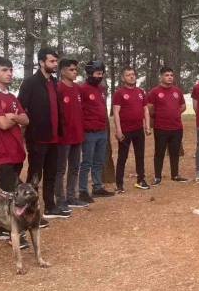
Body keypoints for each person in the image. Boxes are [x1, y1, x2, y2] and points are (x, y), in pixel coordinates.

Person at [0, 57, 31, 249]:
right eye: (4, 70)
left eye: (10, 69)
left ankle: (2, 230)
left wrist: (13, 116)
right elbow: (2, 124)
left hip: (16, 151)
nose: (9, 73)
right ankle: (15, 233)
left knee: (10, 192)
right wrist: (13, 118)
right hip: (0, 152)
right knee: (13, 194)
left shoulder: (11, 97)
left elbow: (26, 119)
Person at [17, 47, 67, 221]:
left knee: (51, 173)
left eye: (56, 61)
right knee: (35, 176)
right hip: (37, 138)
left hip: (54, 138)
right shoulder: (30, 82)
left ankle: (50, 206)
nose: (55, 64)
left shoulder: (53, 82)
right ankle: (30, 210)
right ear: (41, 62)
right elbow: (20, 107)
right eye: (52, 61)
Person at [78, 60, 115, 201]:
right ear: (89, 74)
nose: (100, 76)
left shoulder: (100, 89)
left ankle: (97, 187)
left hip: (101, 131)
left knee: (98, 162)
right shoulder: (82, 89)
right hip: (89, 133)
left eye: (102, 74)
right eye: (97, 73)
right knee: (86, 162)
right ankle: (82, 191)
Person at [55, 59, 89, 210]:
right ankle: (60, 199)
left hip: (78, 135)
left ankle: (71, 196)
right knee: (60, 169)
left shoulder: (78, 88)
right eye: (71, 70)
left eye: (75, 70)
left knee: (75, 167)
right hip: (63, 137)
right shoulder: (58, 88)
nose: (75, 72)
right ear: (62, 71)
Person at [146, 66, 188, 186]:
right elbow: (149, 108)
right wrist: (159, 115)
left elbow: (183, 106)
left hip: (176, 127)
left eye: (171, 75)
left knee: (174, 152)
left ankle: (175, 175)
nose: (169, 77)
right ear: (161, 76)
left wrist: (174, 113)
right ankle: (157, 177)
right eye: (166, 75)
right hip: (161, 127)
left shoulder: (177, 91)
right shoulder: (155, 91)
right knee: (159, 153)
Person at [112, 66, 151, 192]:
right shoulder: (119, 93)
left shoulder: (140, 92)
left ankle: (140, 180)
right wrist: (118, 130)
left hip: (139, 129)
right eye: (128, 75)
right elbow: (116, 112)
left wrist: (147, 126)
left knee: (140, 156)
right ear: (123, 78)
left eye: (133, 74)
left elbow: (145, 109)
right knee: (122, 157)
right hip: (125, 131)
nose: (131, 76)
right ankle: (119, 184)